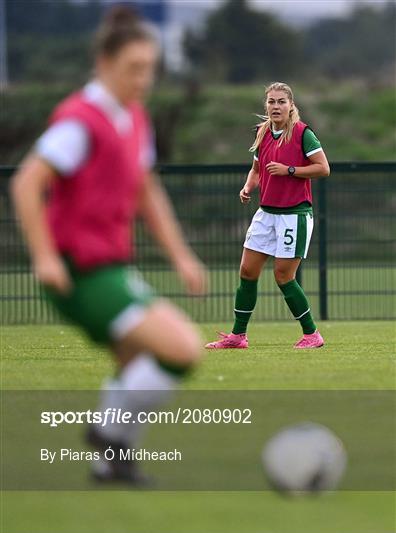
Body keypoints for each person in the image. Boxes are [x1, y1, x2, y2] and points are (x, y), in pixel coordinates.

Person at [11, 6, 207, 484]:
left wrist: (180, 255)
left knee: (137, 363)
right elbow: (25, 184)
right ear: (103, 64)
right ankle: (107, 432)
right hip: (80, 272)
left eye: (150, 70)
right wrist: (43, 256)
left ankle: (110, 465)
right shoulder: (81, 121)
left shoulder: (134, 118)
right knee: (182, 349)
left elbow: (146, 191)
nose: (142, 80)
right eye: (133, 69)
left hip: (109, 266)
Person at [206, 82, 330, 350]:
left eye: (281, 102)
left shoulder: (302, 133)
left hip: (293, 215)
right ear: (266, 105)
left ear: (291, 105)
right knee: (247, 271)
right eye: (271, 102)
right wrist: (248, 186)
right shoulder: (263, 132)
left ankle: (312, 335)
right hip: (266, 213)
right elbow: (256, 169)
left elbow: (323, 168)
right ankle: (238, 336)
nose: (276, 106)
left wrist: (290, 170)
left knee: (284, 277)